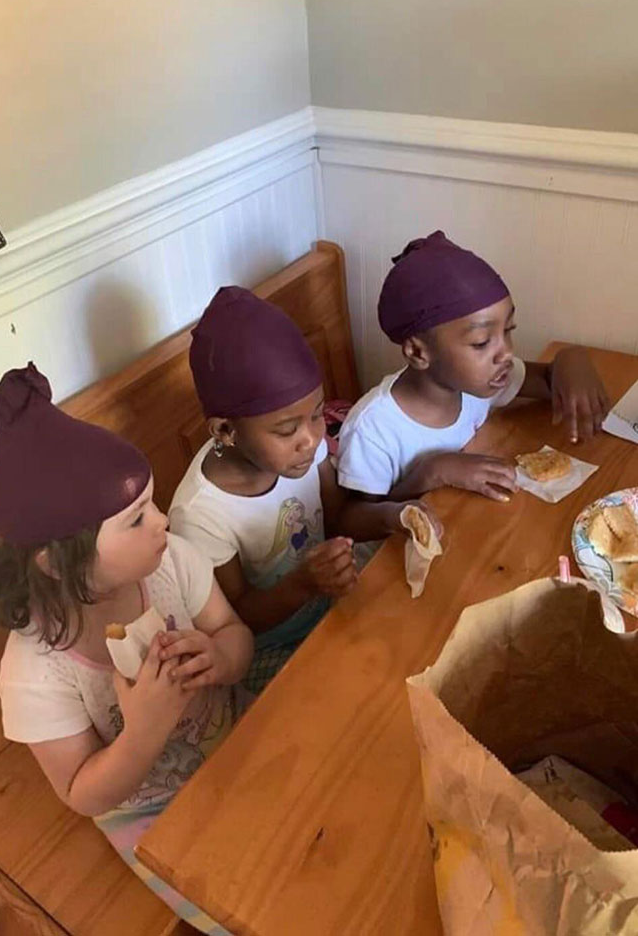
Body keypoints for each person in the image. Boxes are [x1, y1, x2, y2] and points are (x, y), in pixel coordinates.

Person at [0, 362, 253, 926]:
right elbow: (81, 792)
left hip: (236, 731)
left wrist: (221, 658)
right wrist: (145, 730)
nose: (162, 522)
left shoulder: (171, 563)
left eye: (152, 504)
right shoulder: (35, 670)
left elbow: (234, 634)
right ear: (57, 561)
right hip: (153, 806)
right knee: (247, 899)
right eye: (136, 519)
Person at [170, 287, 371, 692]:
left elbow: (337, 519)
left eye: (317, 415)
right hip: (271, 647)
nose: (311, 439)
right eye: (286, 430)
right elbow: (236, 620)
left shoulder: (303, 447)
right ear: (225, 430)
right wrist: (304, 583)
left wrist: (397, 513)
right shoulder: (200, 514)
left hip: (331, 599)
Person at [337, 231, 610, 504]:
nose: (506, 352)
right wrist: (434, 471)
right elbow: (355, 519)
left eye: (509, 329)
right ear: (418, 352)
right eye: (481, 342)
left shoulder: (480, 381)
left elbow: (550, 381)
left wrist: (571, 358)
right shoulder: (372, 431)